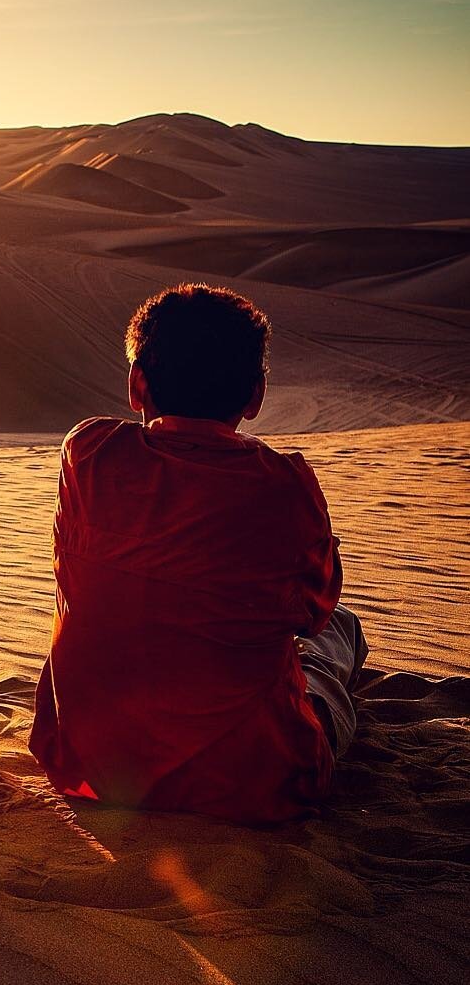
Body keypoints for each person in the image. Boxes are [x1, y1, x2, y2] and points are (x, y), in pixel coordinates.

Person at [30, 283, 367, 824]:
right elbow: (314, 610)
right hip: (253, 783)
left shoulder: (87, 451)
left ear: (137, 385)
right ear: (255, 397)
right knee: (341, 631)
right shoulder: (283, 483)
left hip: (87, 768)